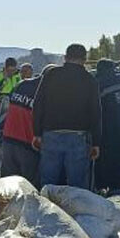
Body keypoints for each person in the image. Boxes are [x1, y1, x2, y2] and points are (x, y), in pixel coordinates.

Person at [32, 44, 101, 189]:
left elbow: (38, 104)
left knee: (48, 184)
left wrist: (37, 133)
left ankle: (46, 209)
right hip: (78, 137)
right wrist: (96, 142)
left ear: (65, 57)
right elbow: (96, 112)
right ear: (84, 59)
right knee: (78, 187)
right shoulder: (90, 80)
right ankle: (76, 211)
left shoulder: (51, 75)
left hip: (50, 134)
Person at [0, 64, 48, 185]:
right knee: (29, 187)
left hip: (8, 139)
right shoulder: (45, 91)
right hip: (27, 145)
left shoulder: (21, 84)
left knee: (7, 186)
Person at [94, 59, 120, 191]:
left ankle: (113, 189)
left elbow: (94, 110)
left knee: (110, 163)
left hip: (109, 131)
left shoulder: (100, 84)